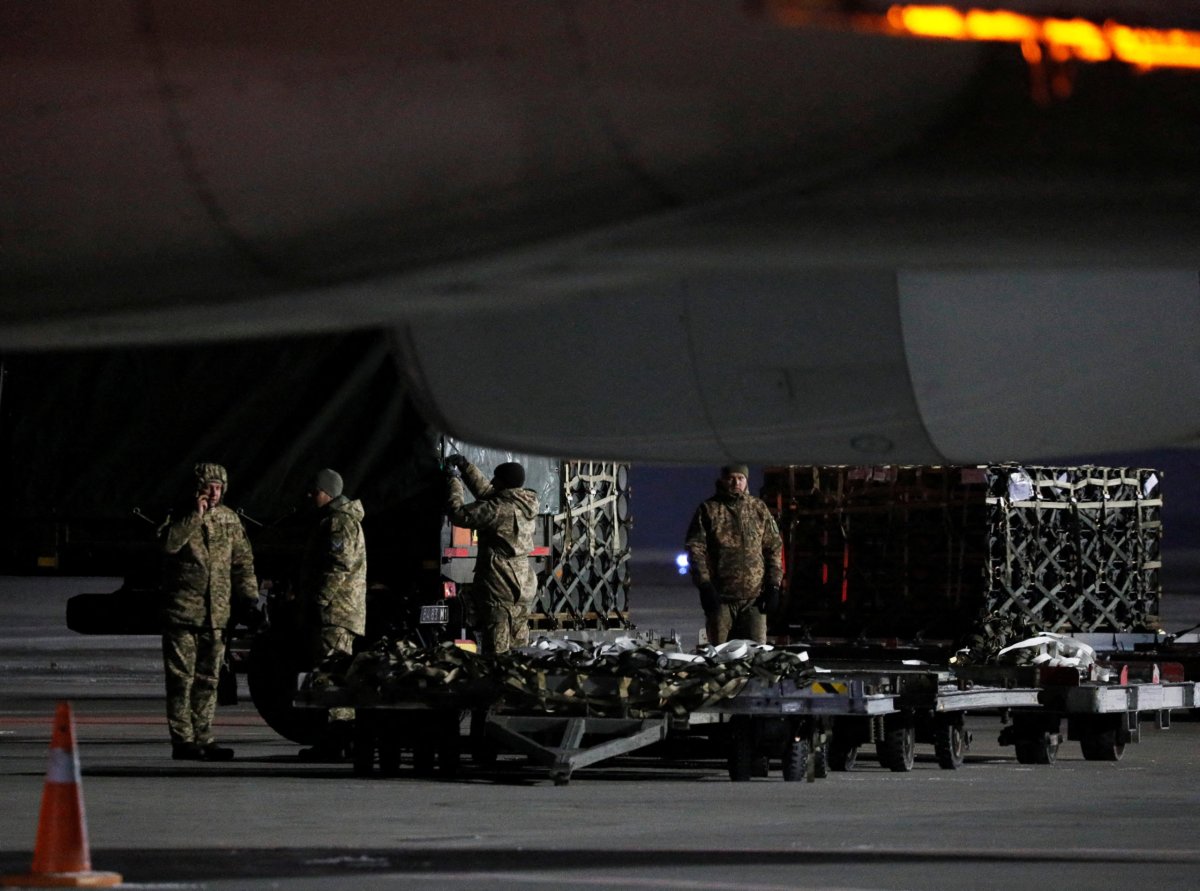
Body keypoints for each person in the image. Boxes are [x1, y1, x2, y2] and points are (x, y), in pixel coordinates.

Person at [159, 462, 258, 761]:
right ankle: (183, 740)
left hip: (216, 616)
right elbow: (167, 546)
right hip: (184, 614)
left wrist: (250, 599)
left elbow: (243, 562)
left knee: (209, 679)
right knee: (181, 680)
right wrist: (193, 516)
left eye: (219, 487)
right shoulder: (179, 516)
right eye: (209, 487)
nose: (214, 493)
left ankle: (204, 736)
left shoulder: (229, 520)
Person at [296, 468, 367, 761]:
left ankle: (337, 741)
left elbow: (340, 565)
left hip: (336, 613)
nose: (311, 496)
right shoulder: (337, 520)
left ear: (328, 492)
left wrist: (320, 599)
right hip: (340, 612)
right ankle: (337, 740)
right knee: (332, 673)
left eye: (315, 491)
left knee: (332, 675)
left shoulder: (339, 523)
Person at [444, 455, 539, 654]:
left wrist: (454, 479)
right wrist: (466, 467)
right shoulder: (526, 503)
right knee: (519, 649)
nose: (492, 482)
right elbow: (488, 493)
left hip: (500, 586)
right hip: (523, 585)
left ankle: (500, 683)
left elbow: (459, 513)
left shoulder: (499, 509)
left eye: (496, 479)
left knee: (497, 653)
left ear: (504, 484)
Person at [685, 463, 784, 645]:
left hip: (754, 598)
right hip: (721, 598)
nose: (736, 482)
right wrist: (705, 585)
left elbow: (773, 547)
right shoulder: (709, 510)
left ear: (746, 481)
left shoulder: (758, 509)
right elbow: (695, 549)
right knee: (719, 654)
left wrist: (774, 585)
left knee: (756, 655)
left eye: (740, 478)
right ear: (722, 480)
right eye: (731, 478)